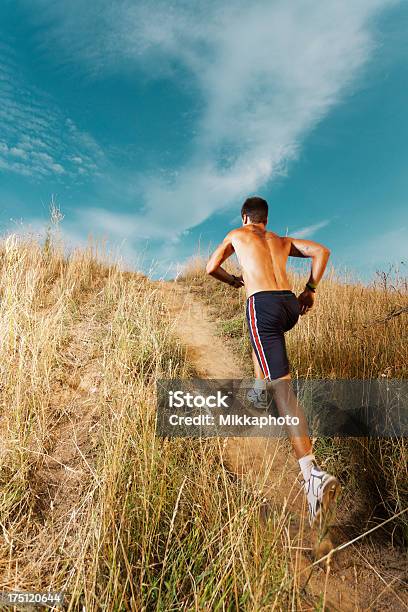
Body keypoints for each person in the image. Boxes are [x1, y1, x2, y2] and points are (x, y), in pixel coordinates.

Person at [206, 196, 340, 527]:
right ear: (265, 219)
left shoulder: (236, 234)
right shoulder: (280, 240)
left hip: (263, 306)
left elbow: (211, 267)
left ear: (244, 217)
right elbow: (322, 251)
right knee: (261, 343)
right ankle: (256, 390)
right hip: (288, 306)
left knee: (284, 393)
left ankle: (312, 476)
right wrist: (309, 289)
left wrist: (233, 280)